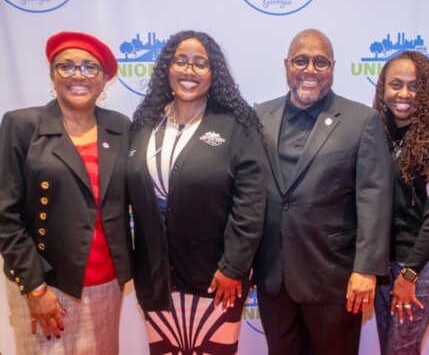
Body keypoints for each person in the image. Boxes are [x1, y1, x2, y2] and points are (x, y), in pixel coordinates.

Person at [252, 28, 392, 355]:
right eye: (301, 61)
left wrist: (366, 269)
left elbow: (374, 199)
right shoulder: (259, 117)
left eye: (321, 62)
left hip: (334, 278)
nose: (310, 70)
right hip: (274, 276)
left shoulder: (362, 120)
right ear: (286, 64)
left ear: (333, 67)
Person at [128, 30, 267, 354]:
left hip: (218, 279)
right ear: (167, 67)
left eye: (200, 64)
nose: (189, 71)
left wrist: (233, 266)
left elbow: (251, 202)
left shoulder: (236, 125)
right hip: (156, 278)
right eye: (181, 61)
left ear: (213, 73)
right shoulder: (145, 123)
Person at [0, 31, 132, 354]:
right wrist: (34, 287)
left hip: (106, 285)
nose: (78, 76)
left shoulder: (121, 127)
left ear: (104, 81)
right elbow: (6, 215)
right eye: (67, 66)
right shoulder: (21, 125)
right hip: (46, 284)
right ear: (52, 74)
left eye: (89, 68)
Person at [371, 51, 429, 355]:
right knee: (389, 346)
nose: (404, 94)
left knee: (401, 349)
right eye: (396, 84)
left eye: (414, 86)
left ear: (427, 91)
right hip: (382, 262)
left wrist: (410, 274)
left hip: (420, 264)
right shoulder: (377, 131)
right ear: (383, 88)